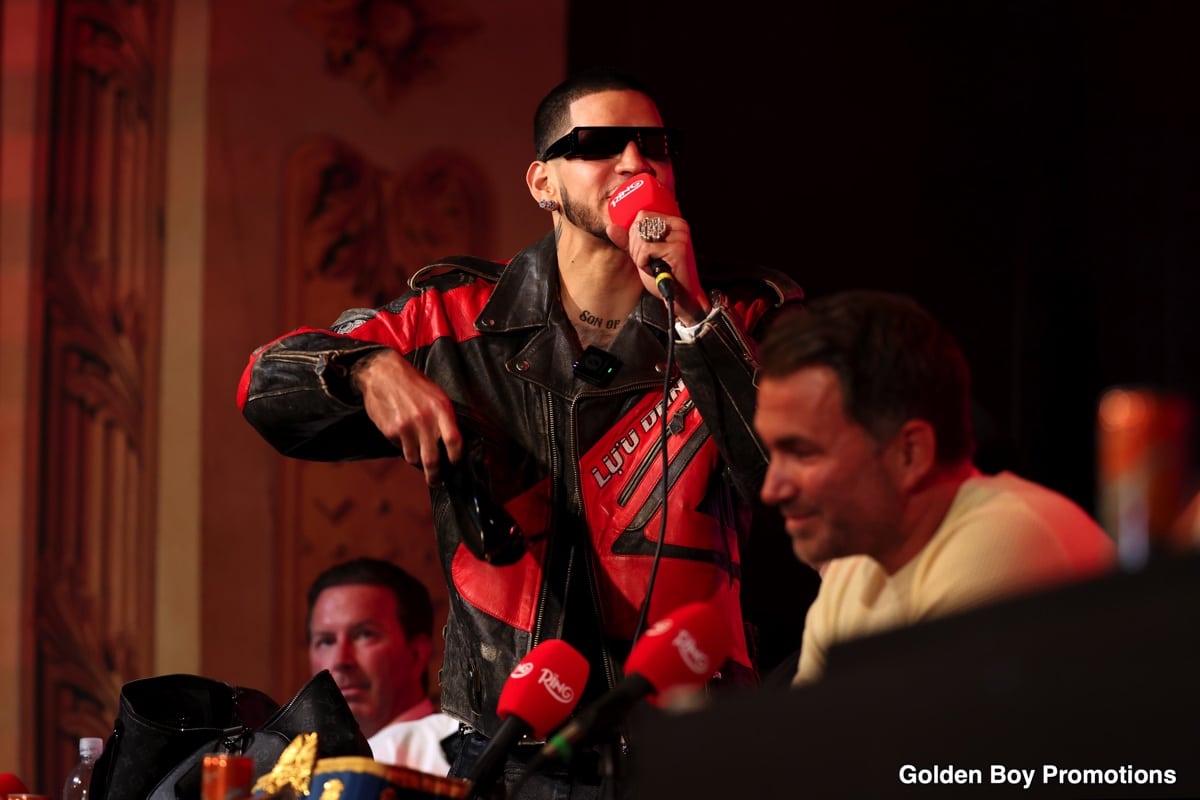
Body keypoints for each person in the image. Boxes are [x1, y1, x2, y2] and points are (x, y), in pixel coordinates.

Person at [239, 67, 803, 797]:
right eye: (598, 144)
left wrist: (693, 311)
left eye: (654, 145)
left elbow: (789, 471)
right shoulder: (455, 318)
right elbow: (264, 385)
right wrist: (365, 368)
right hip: (512, 750)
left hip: (697, 744)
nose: (635, 163)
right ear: (543, 183)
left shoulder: (745, 317)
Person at [753, 290, 1117, 686]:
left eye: (802, 453)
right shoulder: (855, 568)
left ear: (909, 453)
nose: (772, 490)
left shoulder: (1005, 544)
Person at [307, 557, 459, 773]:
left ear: (417, 654)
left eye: (365, 635)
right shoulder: (294, 767)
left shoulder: (463, 760)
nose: (341, 661)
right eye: (326, 641)